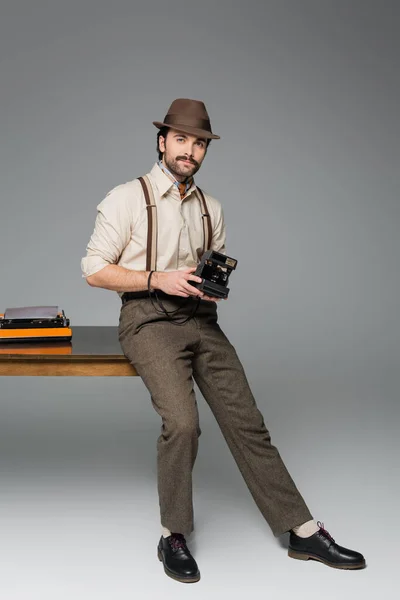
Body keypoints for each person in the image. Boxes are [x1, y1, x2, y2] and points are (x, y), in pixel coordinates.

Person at [81, 98, 365, 583]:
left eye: (198, 143)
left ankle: (302, 530)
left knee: (248, 424)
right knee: (184, 424)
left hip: (201, 320)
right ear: (161, 141)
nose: (189, 150)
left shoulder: (213, 208)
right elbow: (93, 270)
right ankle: (173, 533)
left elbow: (210, 268)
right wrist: (157, 278)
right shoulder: (126, 198)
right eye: (181, 139)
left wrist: (211, 289)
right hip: (148, 321)